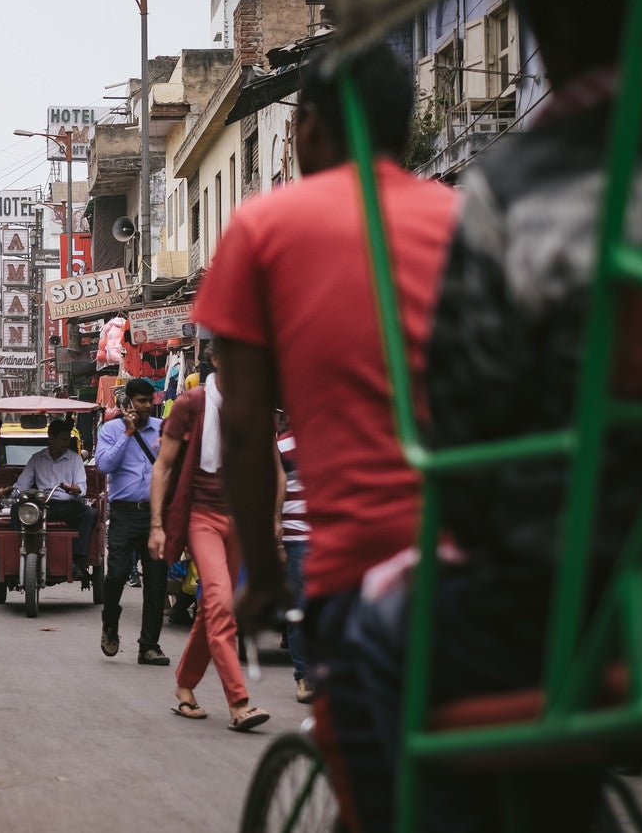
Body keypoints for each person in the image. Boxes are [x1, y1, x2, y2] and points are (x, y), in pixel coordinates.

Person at [353, 0, 642, 832]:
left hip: (584, 599)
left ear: (560, 24)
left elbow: (467, 425)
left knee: (382, 628)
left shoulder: (517, 187)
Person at [199, 43, 458, 832]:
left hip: (361, 574)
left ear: (305, 131)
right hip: (491, 563)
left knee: (372, 794)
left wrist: (268, 576)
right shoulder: (465, 216)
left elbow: (244, 429)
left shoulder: (265, 227)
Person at [149, 352, 269, 731]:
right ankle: (239, 702)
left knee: (215, 609)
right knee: (220, 602)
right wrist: (157, 525)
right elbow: (164, 466)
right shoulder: (191, 403)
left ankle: (185, 685)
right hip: (201, 515)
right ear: (218, 356)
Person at [94, 378, 169, 666]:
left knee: (156, 581)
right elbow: (104, 465)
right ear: (128, 403)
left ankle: (149, 646)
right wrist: (127, 434)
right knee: (116, 574)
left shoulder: (162, 430)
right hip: (124, 513)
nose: (146, 407)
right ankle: (110, 623)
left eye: (150, 401)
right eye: (141, 401)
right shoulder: (111, 430)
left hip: (155, 514)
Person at [10, 418, 95, 576]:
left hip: (66, 506)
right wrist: (9, 492)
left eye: (67, 439)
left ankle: (77, 558)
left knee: (89, 514)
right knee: (16, 510)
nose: (66, 443)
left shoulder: (75, 459)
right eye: (62, 439)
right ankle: (27, 546)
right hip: (41, 505)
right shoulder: (37, 459)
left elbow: (82, 487)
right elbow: (21, 485)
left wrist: (74, 489)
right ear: (51, 438)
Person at [275, 413, 312, 703]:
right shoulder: (282, 448)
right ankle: (305, 676)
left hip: (327, 539)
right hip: (297, 538)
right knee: (300, 608)